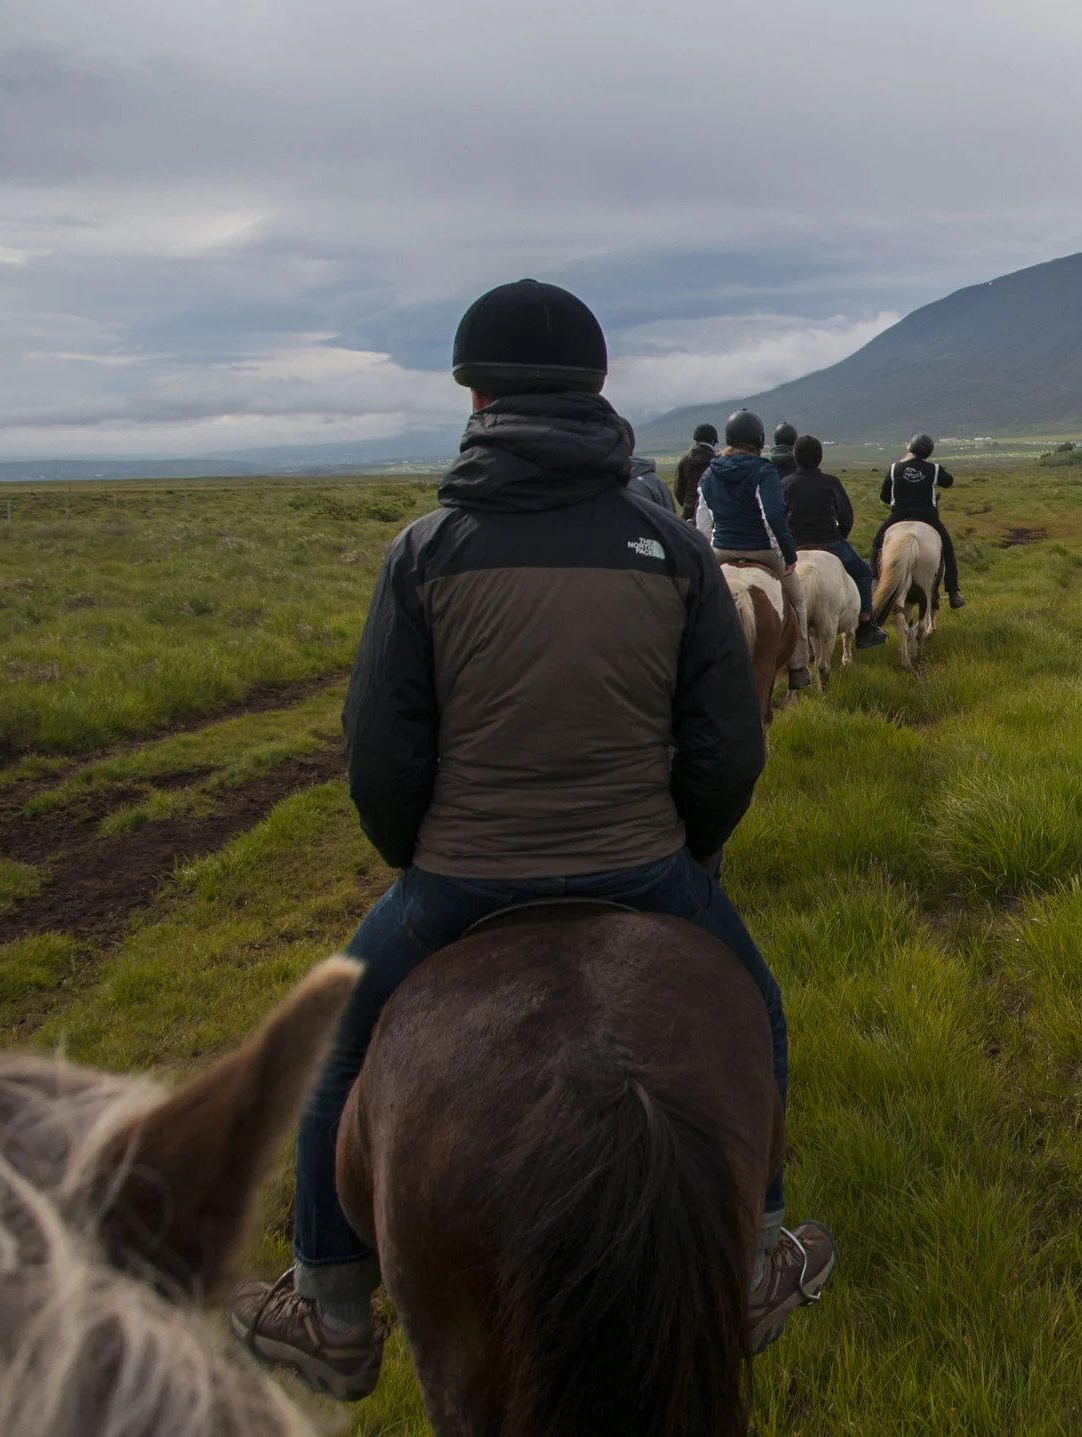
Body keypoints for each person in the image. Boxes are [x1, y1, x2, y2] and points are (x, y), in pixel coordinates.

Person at [227, 280, 833, 1401]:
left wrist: (423, 858)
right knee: (757, 1009)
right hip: (644, 866)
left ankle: (329, 1305)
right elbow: (726, 747)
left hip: (459, 878)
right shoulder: (673, 549)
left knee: (336, 1040)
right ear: (600, 392)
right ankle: (757, 1254)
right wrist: (687, 853)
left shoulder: (425, 551)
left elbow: (380, 758)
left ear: (476, 397)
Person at [700, 409, 814, 691]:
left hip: (721, 550)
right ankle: (798, 667)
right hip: (762, 551)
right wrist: (787, 553)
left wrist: (708, 553)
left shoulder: (710, 473)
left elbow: (703, 521)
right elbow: (772, 516)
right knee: (797, 600)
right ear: (759, 440)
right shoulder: (763, 470)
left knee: (694, 601)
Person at [780, 433, 886, 648]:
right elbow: (846, 518)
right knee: (864, 573)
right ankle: (866, 625)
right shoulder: (831, 482)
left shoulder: (785, 483)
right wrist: (840, 537)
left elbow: (778, 518)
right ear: (820, 457)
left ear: (795, 457)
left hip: (794, 545)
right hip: (830, 542)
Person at [870, 432, 963, 619]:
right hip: (927, 517)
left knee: (877, 544)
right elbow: (949, 481)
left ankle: (874, 581)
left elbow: (884, 496)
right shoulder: (932, 469)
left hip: (899, 515)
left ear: (910, 447)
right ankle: (953, 593)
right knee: (947, 550)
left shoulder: (895, 468)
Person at [674, 422, 718, 521]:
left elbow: (678, 490)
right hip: (711, 513)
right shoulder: (717, 462)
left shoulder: (685, 461)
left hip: (688, 511)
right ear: (713, 441)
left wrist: (687, 503)